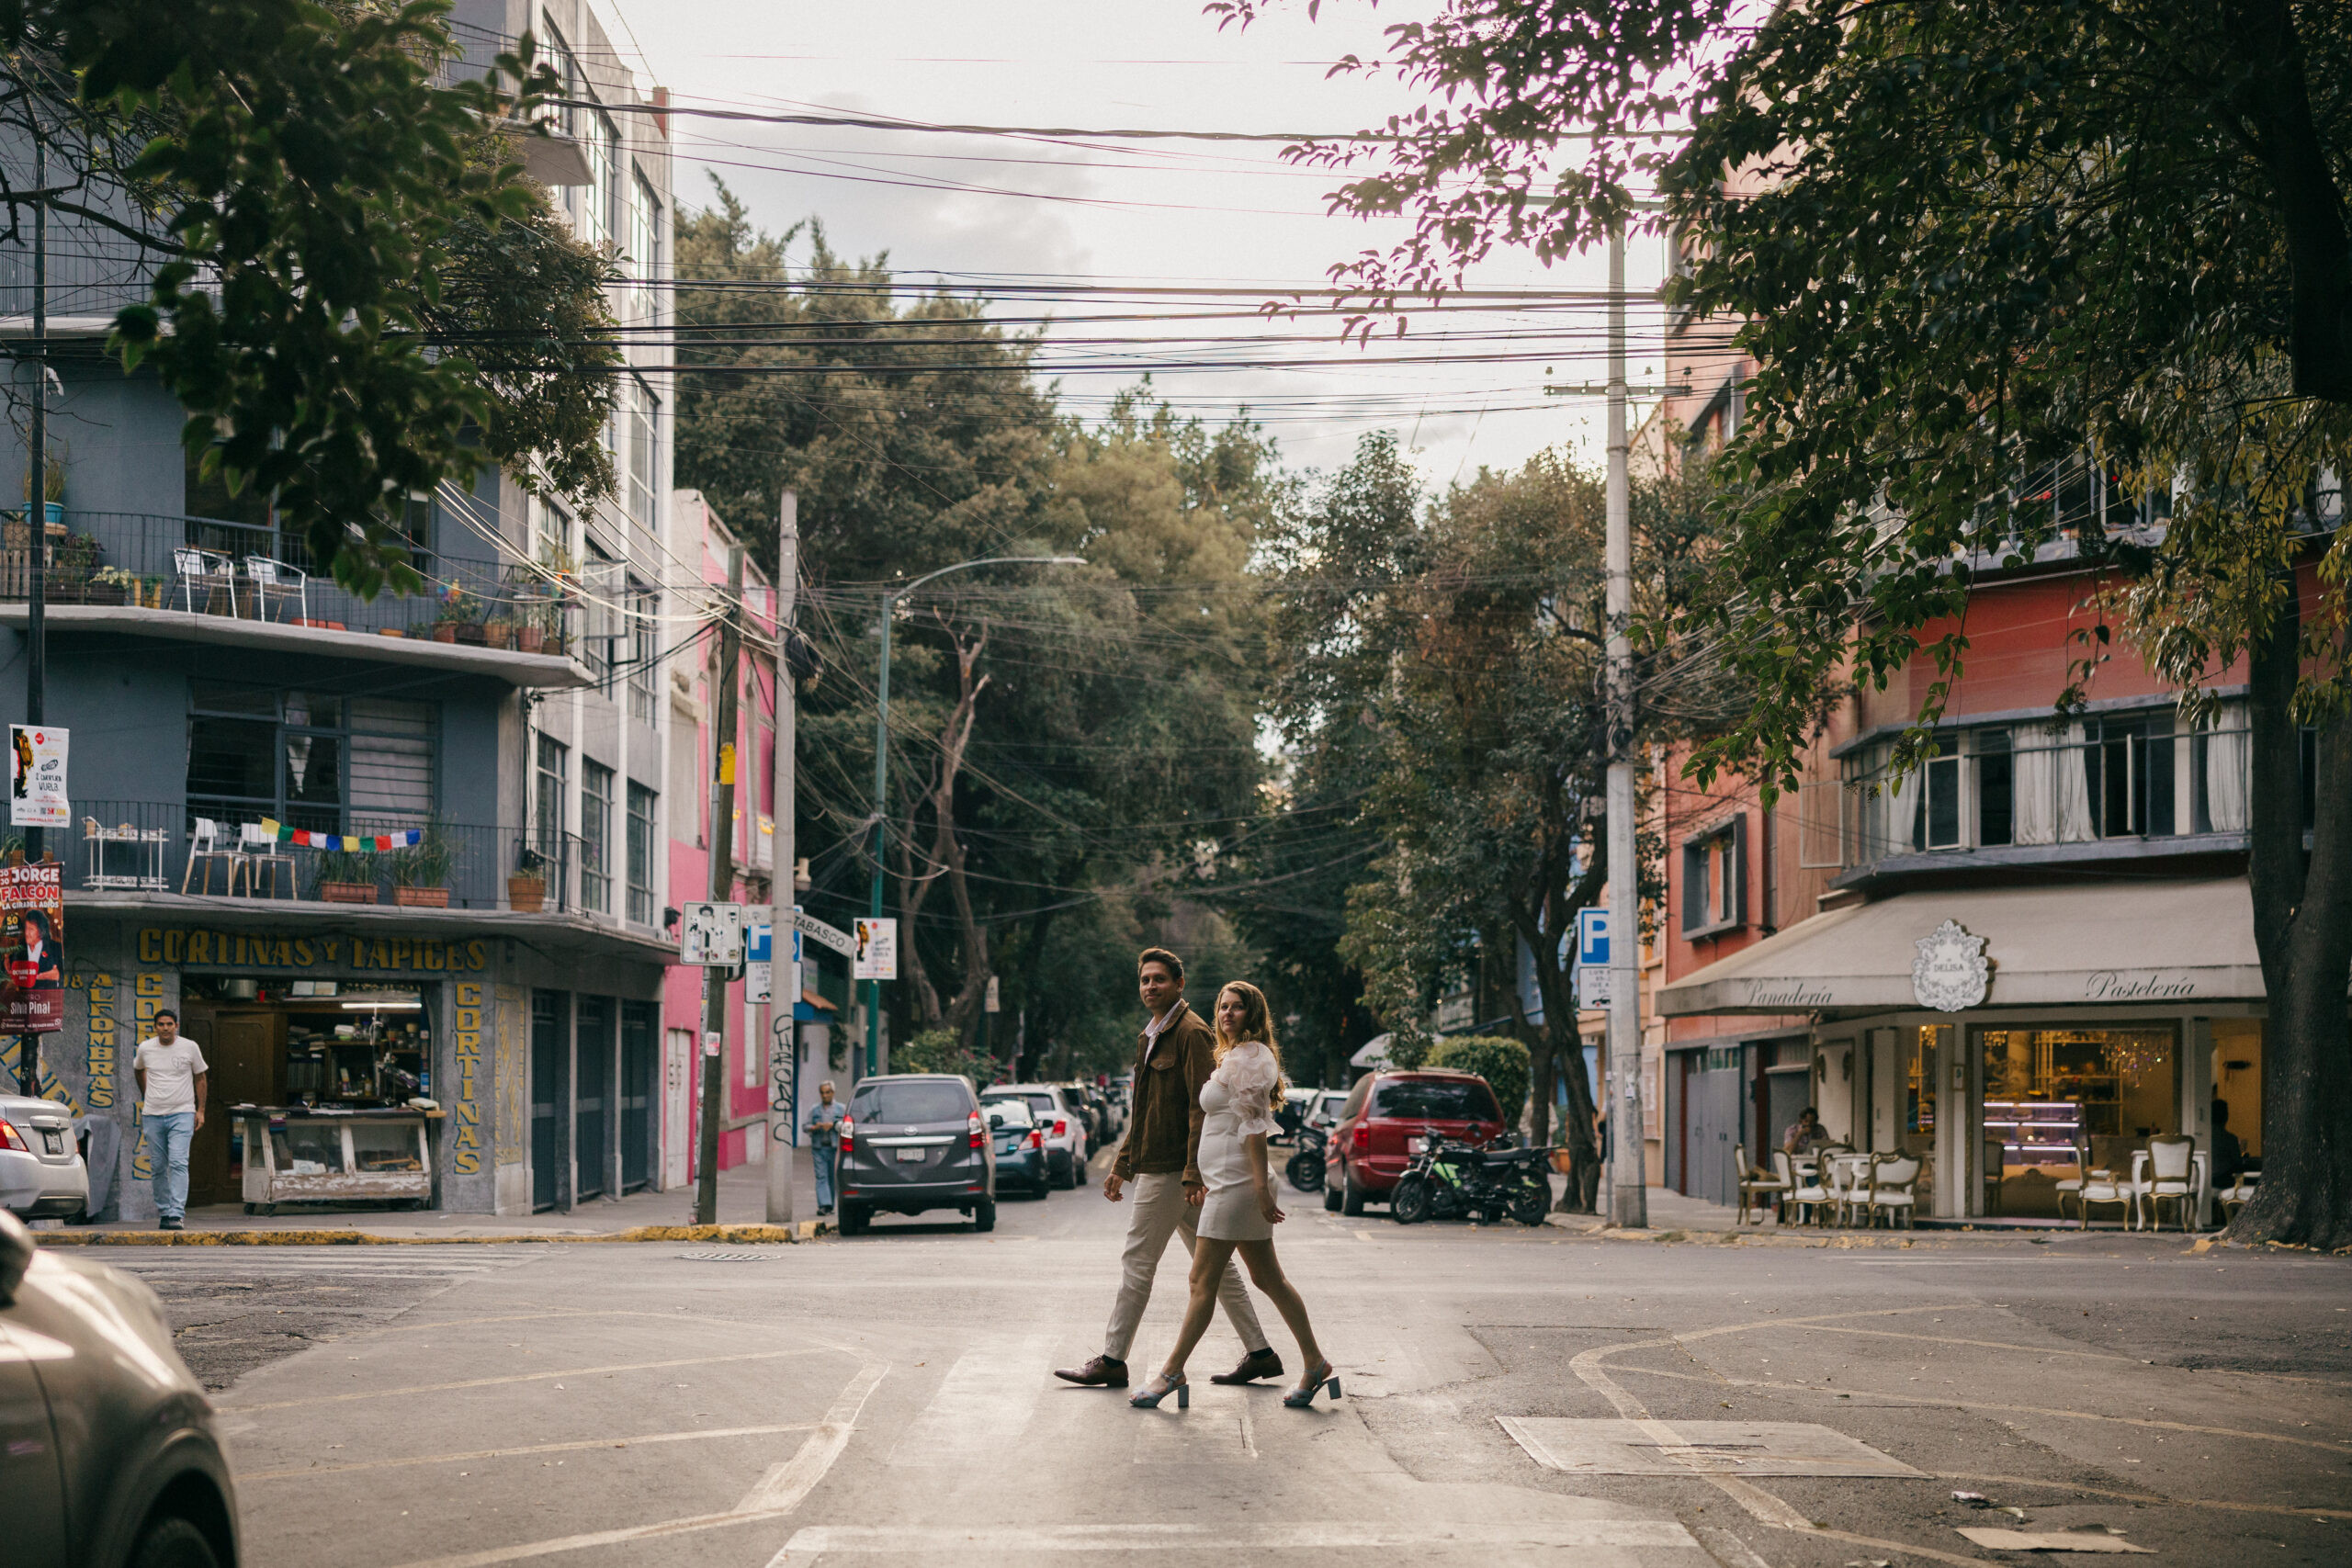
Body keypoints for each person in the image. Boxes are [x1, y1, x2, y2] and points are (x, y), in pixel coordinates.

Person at [1055, 948, 1278, 1391]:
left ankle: (1113, 1360)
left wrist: (1193, 1173)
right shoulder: (1151, 1034)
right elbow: (1146, 1108)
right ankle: (1260, 1353)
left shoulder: (1191, 1033)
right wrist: (1122, 1161)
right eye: (1144, 980)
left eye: (1159, 979)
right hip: (1162, 1166)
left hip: (1175, 1171)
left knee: (1138, 1260)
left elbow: (1202, 1112)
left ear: (1179, 983)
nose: (1149, 987)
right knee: (1215, 1265)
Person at [1128, 981, 1337, 1411]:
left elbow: (1255, 1128)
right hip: (1226, 1184)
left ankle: (1171, 1372)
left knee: (1201, 1281)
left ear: (1253, 1014)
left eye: (1237, 1007)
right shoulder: (1234, 1056)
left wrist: (1260, 1189)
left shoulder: (1250, 1058)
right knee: (1267, 1279)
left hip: (1238, 1187)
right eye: (1223, 1006)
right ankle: (1315, 1363)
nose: (1227, 1014)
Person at [132, 1010, 206, 1231]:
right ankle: (164, 1211)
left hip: (182, 1113)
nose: (165, 1028)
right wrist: (147, 1095)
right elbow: (138, 1070)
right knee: (157, 1166)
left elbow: (200, 1078)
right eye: (161, 1024)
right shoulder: (146, 1048)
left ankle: (176, 1213)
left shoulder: (190, 1047)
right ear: (155, 1027)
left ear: (177, 1025)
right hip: (153, 1114)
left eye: (169, 1024)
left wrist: (200, 1110)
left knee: (178, 1162)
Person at [806, 1080, 843, 1216]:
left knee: (832, 1177)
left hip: (835, 1148)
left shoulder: (841, 1109)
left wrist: (833, 1125)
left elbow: (846, 1125)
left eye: (827, 1092)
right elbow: (805, 1126)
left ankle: (830, 1205)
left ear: (832, 1093)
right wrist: (815, 1127)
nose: (825, 1095)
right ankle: (824, 1204)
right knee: (821, 1176)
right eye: (822, 1093)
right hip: (819, 1147)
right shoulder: (815, 1109)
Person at [2210, 1099, 2245, 1193]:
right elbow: (2237, 1161)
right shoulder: (2229, 1138)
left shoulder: (2205, 1137)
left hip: (2208, 1179)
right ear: (2225, 1116)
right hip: (2222, 1180)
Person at [17, 908, 60, 986]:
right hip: (22, 996)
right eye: (26, 928)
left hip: (47, 995)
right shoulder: (19, 950)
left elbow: (61, 975)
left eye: (31, 929)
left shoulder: (55, 948)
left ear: (41, 931)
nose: (27, 933)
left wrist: (58, 976)